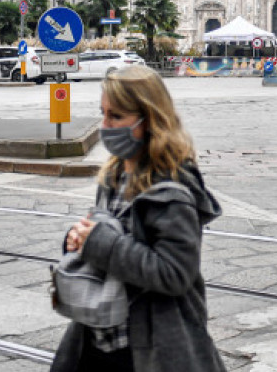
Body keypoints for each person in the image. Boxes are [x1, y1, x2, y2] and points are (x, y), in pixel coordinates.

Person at [51, 65, 227, 372]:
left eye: (116, 116)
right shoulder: (114, 175)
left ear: (150, 119)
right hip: (101, 339)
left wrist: (100, 243)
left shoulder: (172, 188)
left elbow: (175, 274)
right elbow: (105, 242)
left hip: (152, 348)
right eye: (103, 113)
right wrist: (78, 241)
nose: (104, 125)